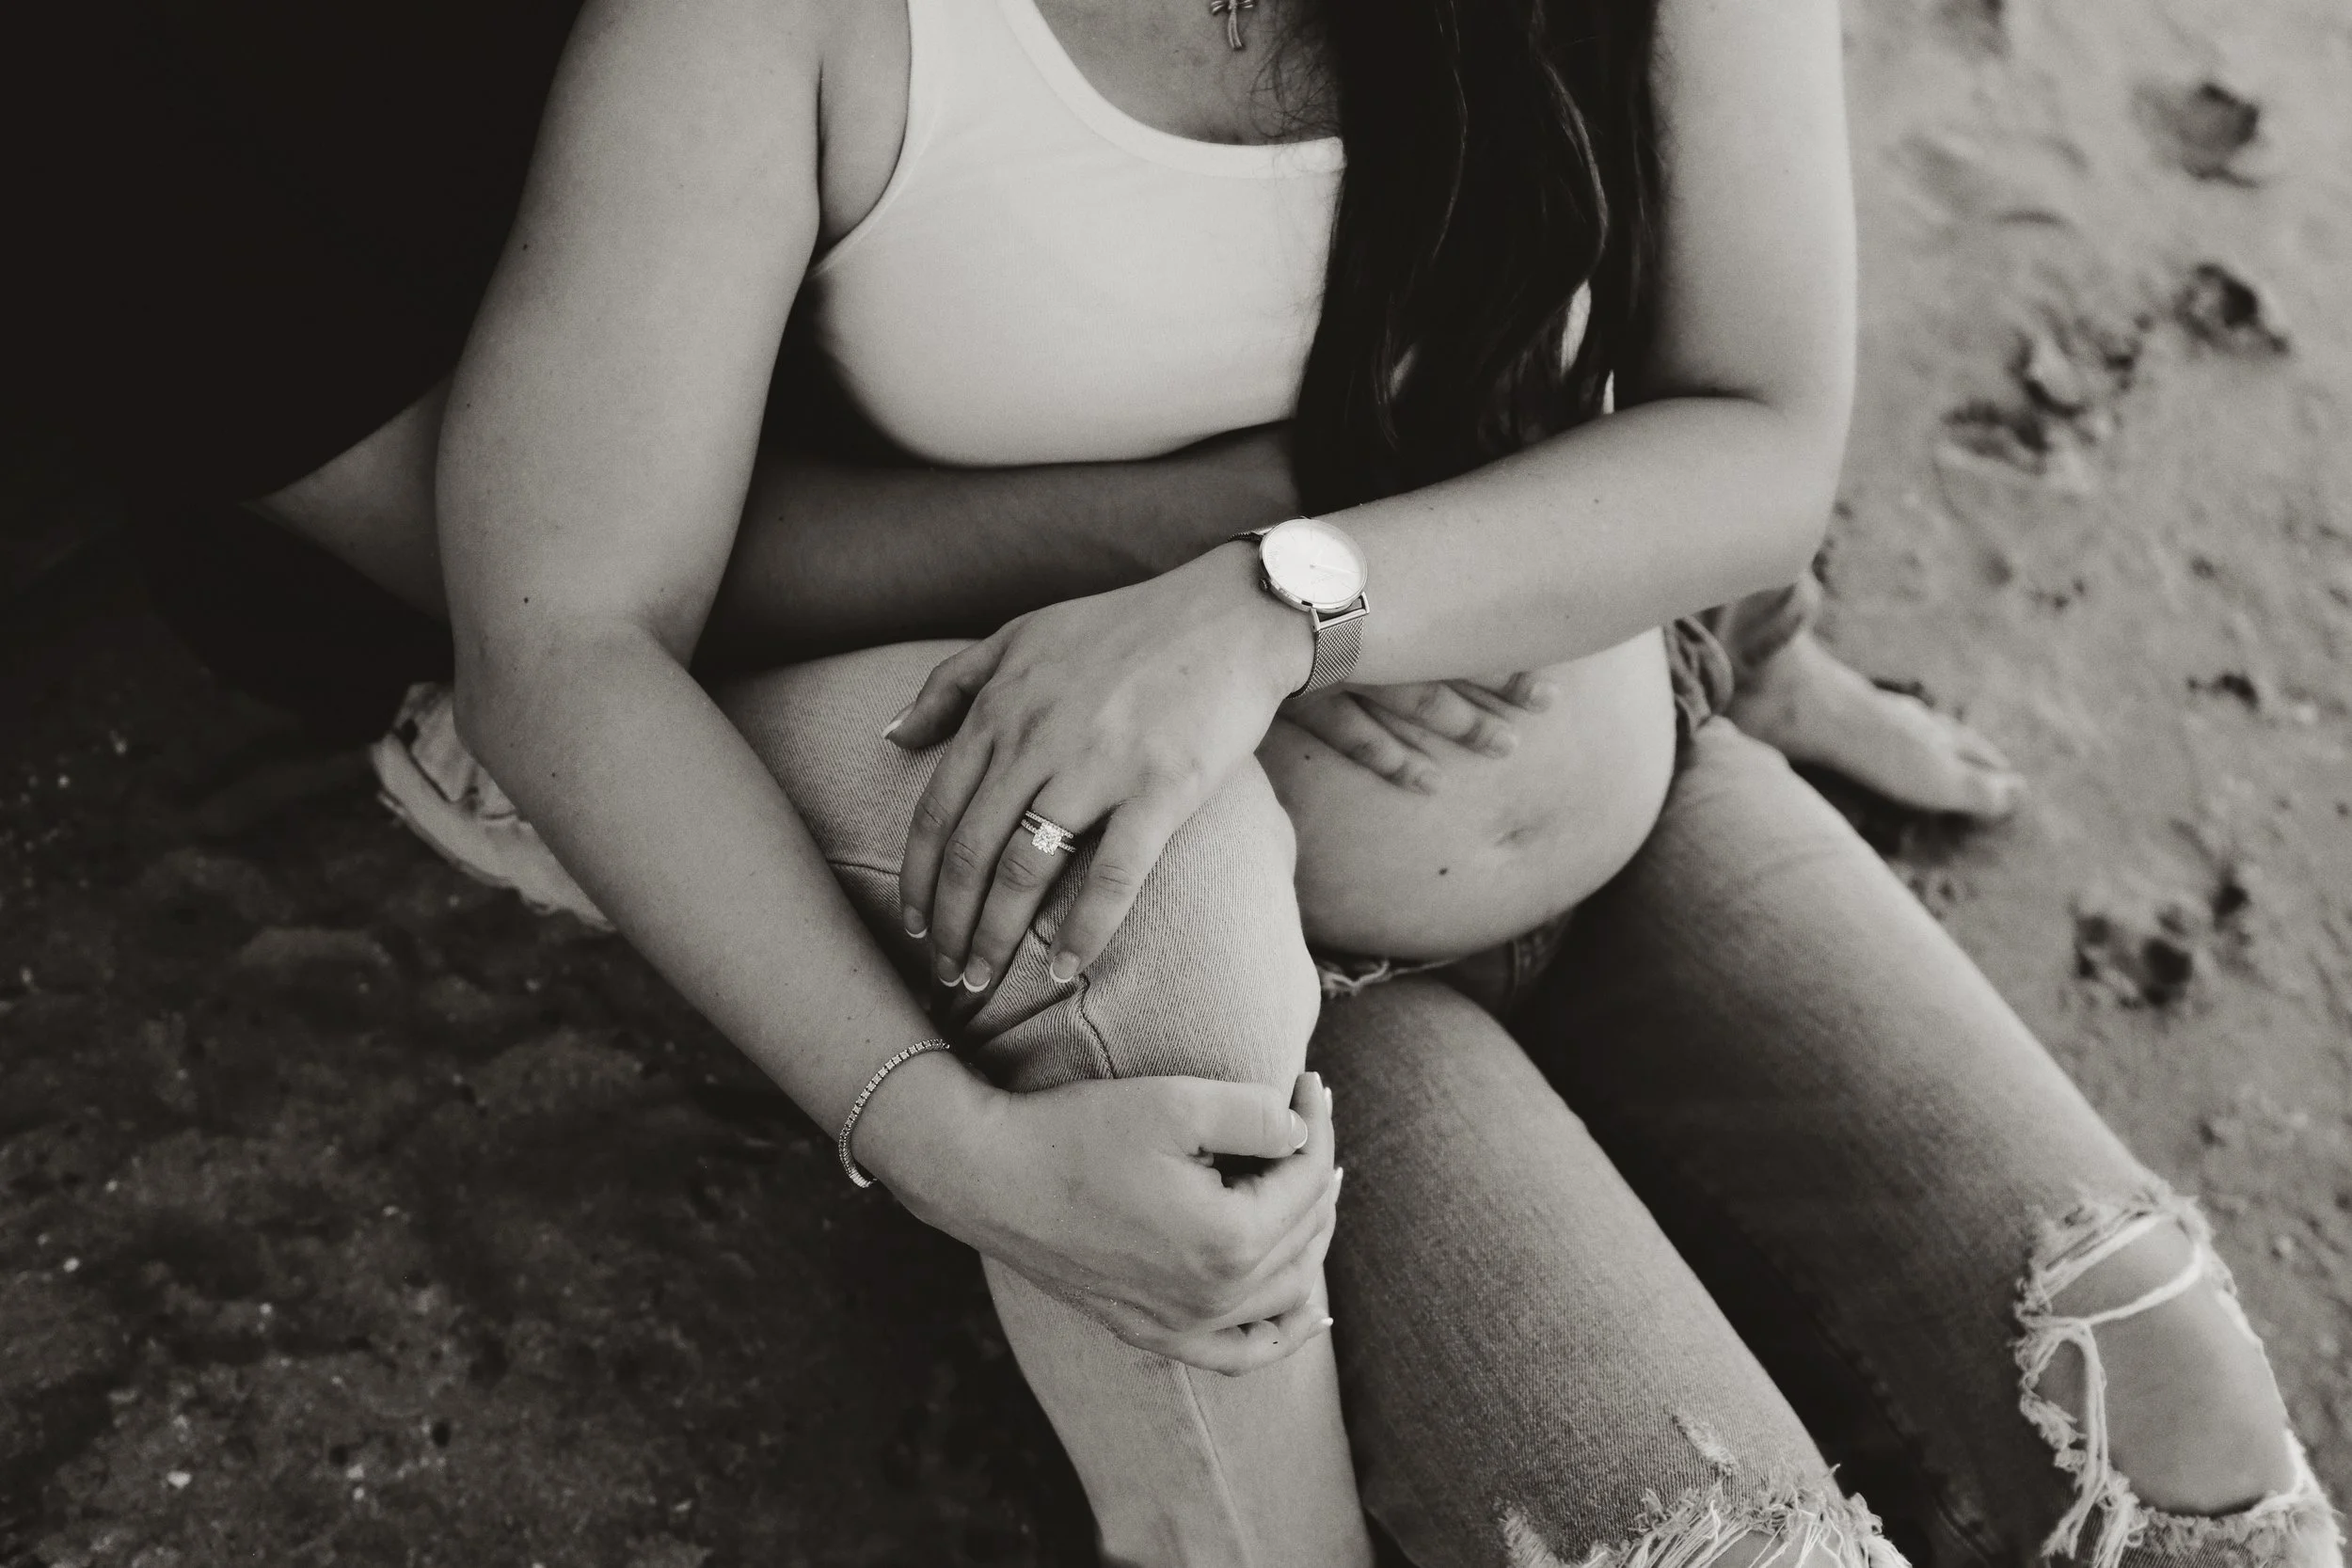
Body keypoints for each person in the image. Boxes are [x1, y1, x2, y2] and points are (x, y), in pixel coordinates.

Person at [17, 4, 2334, 1568]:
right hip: (1268, 1017)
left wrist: (1269, 594)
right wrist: (932, 1132)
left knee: (2174, 1409)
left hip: (1618, 798)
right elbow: (561, 617)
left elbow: (1754, 439)